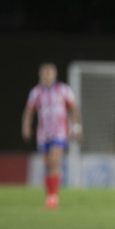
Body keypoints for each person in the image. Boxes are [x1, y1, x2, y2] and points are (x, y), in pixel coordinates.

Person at [22, 62, 82, 209]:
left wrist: (77, 127)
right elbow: (29, 111)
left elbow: (74, 108)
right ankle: (50, 194)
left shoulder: (63, 90)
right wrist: (26, 127)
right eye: (45, 73)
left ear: (54, 75)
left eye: (50, 73)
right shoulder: (36, 92)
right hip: (43, 132)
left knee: (55, 162)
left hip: (59, 131)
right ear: (41, 75)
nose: (47, 76)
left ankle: (53, 197)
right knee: (47, 164)